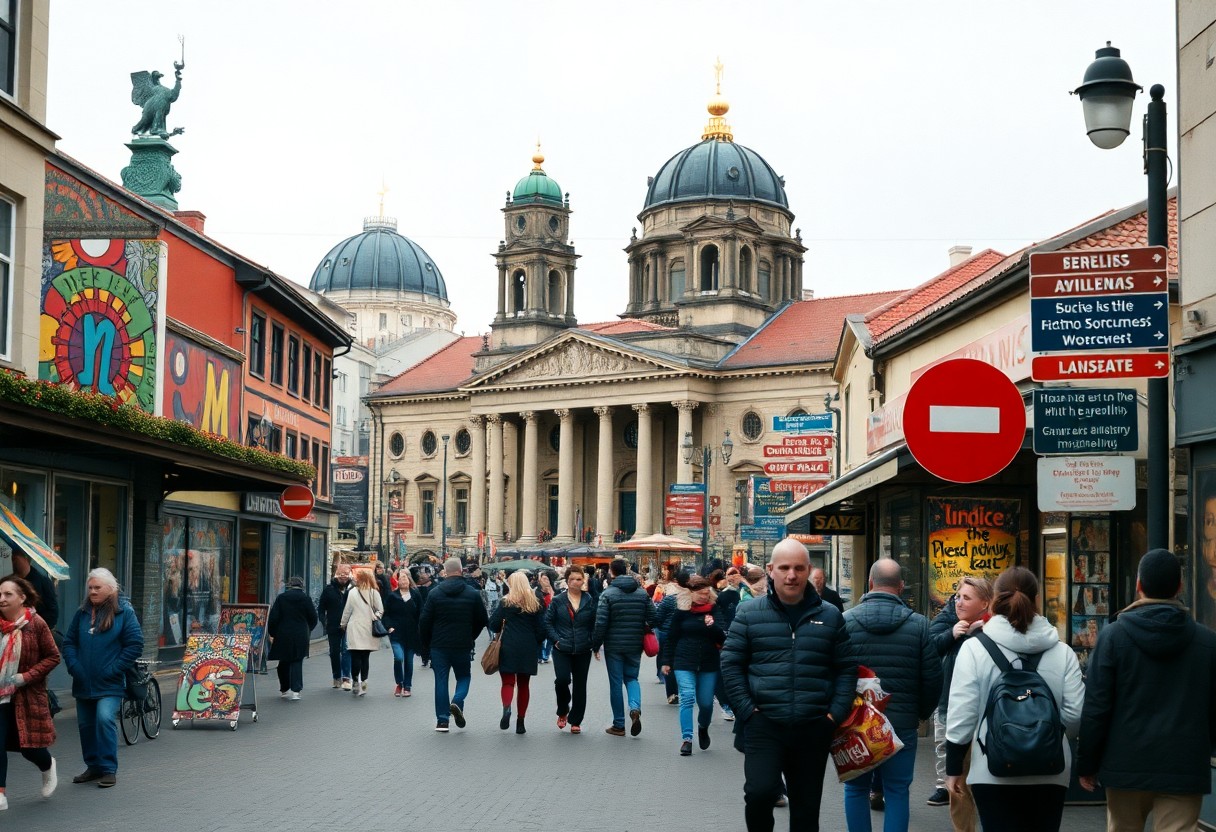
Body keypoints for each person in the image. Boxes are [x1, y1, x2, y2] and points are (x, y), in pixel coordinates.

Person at [721, 538, 858, 832]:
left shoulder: (830, 615)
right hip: (764, 724)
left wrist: (834, 714)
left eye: (798, 568)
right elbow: (731, 665)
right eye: (784, 568)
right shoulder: (749, 613)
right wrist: (748, 710)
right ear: (771, 570)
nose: (791, 575)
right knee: (758, 794)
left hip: (813, 725)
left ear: (809, 570)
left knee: (806, 810)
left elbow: (846, 668)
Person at [1076, 549, 1216, 832]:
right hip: (1184, 765)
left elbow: (1096, 707)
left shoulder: (1113, 637)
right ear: (1179, 586)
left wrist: (1087, 763)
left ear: (1138, 585)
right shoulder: (1207, 643)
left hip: (1124, 765)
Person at [945, 567, 1084, 832]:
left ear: (996, 599)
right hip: (1051, 769)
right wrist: (1047, 737)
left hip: (991, 768)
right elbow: (1075, 714)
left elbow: (962, 714)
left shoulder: (974, 648)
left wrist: (954, 768)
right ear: (1037, 600)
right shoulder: (1063, 652)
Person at [841, 558, 942, 832]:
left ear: (870, 583)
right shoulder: (920, 625)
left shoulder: (845, 622)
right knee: (897, 791)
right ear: (901, 587)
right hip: (901, 723)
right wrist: (919, 714)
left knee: (855, 788)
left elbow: (836, 674)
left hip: (856, 722)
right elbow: (933, 679)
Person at [61, 568, 143, 789]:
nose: (93, 591)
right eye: (90, 588)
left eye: (97, 588)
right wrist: (74, 666)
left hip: (110, 682)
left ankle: (108, 769)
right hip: (82, 682)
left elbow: (135, 645)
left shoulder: (124, 612)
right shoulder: (82, 612)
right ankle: (93, 766)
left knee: (104, 719)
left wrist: (113, 669)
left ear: (111, 588)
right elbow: (69, 642)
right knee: (86, 725)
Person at [927, 577, 992, 831]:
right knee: (957, 781)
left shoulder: (995, 628)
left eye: (967, 598)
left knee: (982, 780)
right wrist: (952, 634)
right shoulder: (949, 618)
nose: (958, 602)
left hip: (986, 714)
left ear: (985, 603)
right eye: (958, 597)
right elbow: (929, 647)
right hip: (951, 706)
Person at [0, 575, 60, 810]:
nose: (2, 599)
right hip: (1, 694)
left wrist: (27, 677)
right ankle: (1, 794)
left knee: (28, 748)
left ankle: (47, 766)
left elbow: (53, 656)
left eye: (8, 594)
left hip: (25, 694)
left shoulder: (36, 624)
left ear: (22, 597)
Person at [661, 573, 726, 757]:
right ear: (690, 593)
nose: (704, 597)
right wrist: (666, 661)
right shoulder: (681, 613)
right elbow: (671, 637)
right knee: (687, 697)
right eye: (700, 594)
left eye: (707, 593)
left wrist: (712, 626)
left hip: (708, 662)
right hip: (684, 660)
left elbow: (722, 638)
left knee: (706, 704)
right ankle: (687, 739)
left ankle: (703, 727)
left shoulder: (714, 610)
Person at [419, 558, 488, 732]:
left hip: (439, 644)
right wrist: (471, 636)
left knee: (441, 681)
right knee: (464, 677)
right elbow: (482, 620)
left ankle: (442, 720)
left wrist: (426, 644)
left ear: (445, 572)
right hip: (462, 643)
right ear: (461, 571)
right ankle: (457, 701)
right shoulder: (472, 593)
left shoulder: (434, 593)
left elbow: (424, 621)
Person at [592, 557, 656, 737]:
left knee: (615, 683)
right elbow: (654, 618)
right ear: (626, 571)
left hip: (613, 645)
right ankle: (635, 708)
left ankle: (619, 724)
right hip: (635, 644)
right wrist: (641, 627)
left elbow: (601, 623)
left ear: (611, 572)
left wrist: (596, 645)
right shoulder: (642, 593)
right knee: (632, 678)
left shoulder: (608, 594)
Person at [489, 572, 545, 734]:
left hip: (508, 645)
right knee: (524, 685)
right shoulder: (536, 602)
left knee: (507, 682)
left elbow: (493, 624)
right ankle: (521, 721)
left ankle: (507, 707)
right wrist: (536, 642)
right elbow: (542, 629)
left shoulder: (506, 602)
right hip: (528, 646)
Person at [544, 564, 597, 734]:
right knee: (562, 680)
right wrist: (556, 640)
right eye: (572, 579)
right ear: (567, 581)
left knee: (580, 685)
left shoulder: (589, 600)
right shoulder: (558, 600)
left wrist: (591, 640)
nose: (575, 582)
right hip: (562, 647)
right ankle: (562, 709)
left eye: (579, 579)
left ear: (583, 581)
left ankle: (576, 720)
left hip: (583, 648)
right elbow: (548, 622)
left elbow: (595, 623)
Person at [267, 576, 318, 700]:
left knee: (283, 661)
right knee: (297, 660)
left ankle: (284, 688)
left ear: (289, 586)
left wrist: (272, 633)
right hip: (300, 633)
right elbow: (313, 617)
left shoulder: (281, 598)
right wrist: (308, 629)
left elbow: (273, 618)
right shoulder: (306, 598)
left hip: (283, 633)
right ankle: (296, 690)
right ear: (302, 586)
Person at [339, 569, 385, 697]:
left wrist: (343, 624)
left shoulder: (352, 592)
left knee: (355, 656)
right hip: (369, 627)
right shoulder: (374, 592)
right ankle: (364, 682)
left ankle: (354, 681)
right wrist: (375, 616)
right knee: (365, 657)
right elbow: (380, 609)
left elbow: (347, 610)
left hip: (355, 627)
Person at [383, 567, 421, 697]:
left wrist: (420, 628)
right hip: (396, 633)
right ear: (397, 582)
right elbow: (386, 614)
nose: (404, 581)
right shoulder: (392, 596)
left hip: (411, 634)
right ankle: (399, 682)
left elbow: (421, 613)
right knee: (399, 658)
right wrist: (389, 627)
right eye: (401, 579)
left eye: (406, 579)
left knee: (409, 662)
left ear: (409, 581)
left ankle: (407, 686)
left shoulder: (415, 595)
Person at [316, 563, 353, 689]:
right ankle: (336, 676)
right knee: (334, 652)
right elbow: (321, 608)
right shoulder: (328, 590)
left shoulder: (353, 589)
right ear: (337, 575)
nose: (344, 577)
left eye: (346, 574)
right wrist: (324, 621)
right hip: (333, 625)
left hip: (349, 626)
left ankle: (346, 678)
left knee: (347, 650)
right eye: (341, 574)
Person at [9, 552, 57, 630]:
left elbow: (53, 612)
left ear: (26, 559)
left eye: (15, 558)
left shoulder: (43, 581)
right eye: (12, 558)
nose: (13, 562)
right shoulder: (10, 582)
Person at [535, 572, 555, 663]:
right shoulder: (537, 592)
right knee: (541, 638)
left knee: (550, 637)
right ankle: (540, 655)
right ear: (539, 581)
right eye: (543, 579)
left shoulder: (553, 591)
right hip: (540, 618)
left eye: (547, 579)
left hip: (551, 618)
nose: (546, 581)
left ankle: (546, 654)